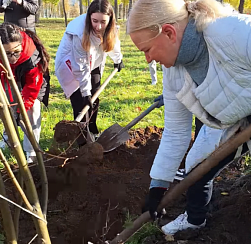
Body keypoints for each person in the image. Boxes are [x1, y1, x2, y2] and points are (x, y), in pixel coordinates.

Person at [127, 0, 251, 235]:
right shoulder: (173, 72)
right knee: (195, 169)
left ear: (169, 33)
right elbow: (175, 132)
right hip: (232, 121)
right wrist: (158, 186)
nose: (147, 60)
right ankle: (195, 220)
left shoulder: (233, 32)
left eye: (147, 50)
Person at [55, 0, 124, 145]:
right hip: (71, 64)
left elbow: (113, 43)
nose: (99, 26)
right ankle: (83, 143)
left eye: (103, 22)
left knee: (95, 96)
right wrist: (85, 92)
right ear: (89, 18)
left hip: (94, 62)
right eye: (95, 21)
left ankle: (92, 130)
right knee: (81, 102)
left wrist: (118, 59)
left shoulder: (110, 28)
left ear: (110, 19)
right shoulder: (79, 32)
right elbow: (80, 66)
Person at [0, 22, 50, 163]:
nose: (13, 57)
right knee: (7, 105)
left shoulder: (30, 57)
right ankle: (8, 138)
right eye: (7, 53)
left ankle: (32, 151)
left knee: (32, 111)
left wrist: (21, 110)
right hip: (6, 77)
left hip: (31, 83)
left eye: (16, 52)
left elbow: (32, 88)